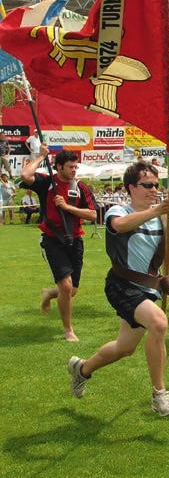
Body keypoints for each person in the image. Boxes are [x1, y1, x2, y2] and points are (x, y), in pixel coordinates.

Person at [67, 160, 169, 417]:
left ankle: (82, 369)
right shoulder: (117, 210)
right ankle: (159, 396)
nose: (153, 190)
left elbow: (164, 252)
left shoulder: (161, 218)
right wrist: (156, 211)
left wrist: (164, 277)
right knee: (159, 324)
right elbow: (119, 226)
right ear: (131, 187)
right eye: (147, 185)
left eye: (156, 185)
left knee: (124, 347)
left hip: (146, 289)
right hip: (121, 285)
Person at [21, 145, 96, 342]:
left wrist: (67, 207)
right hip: (52, 239)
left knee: (72, 290)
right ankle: (68, 329)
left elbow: (93, 214)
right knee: (65, 285)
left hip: (75, 240)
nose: (74, 170)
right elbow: (25, 175)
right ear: (59, 167)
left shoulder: (80, 188)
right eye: (70, 167)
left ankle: (48, 293)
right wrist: (41, 156)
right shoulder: (46, 183)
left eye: (75, 167)